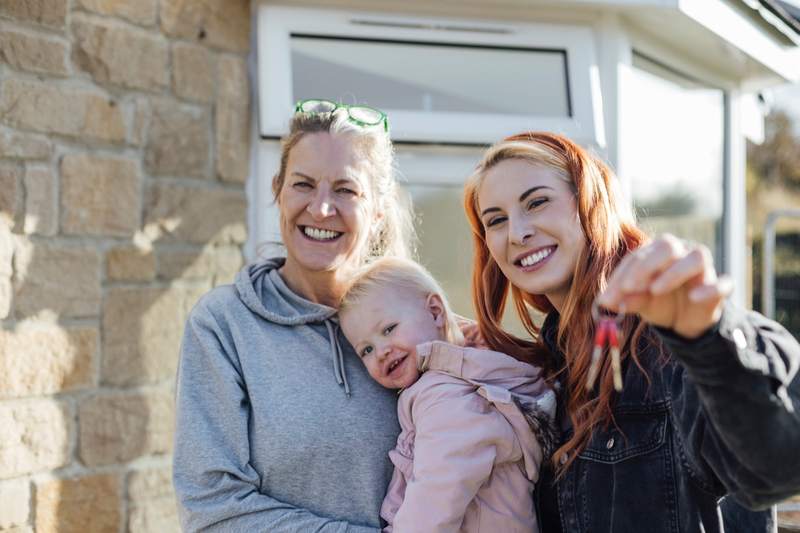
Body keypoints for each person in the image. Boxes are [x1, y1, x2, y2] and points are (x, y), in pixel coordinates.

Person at [451, 131, 800, 532]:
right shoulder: (546, 374)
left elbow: (776, 468)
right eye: (496, 220)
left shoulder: (671, 339)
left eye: (537, 202)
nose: (517, 232)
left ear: (589, 204)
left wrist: (707, 337)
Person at [172, 100, 416, 532]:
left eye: (345, 189)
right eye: (303, 184)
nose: (321, 209)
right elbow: (212, 511)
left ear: (378, 209)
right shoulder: (225, 326)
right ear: (277, 191)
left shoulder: (415, 319)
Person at [338, 257, 556, 533]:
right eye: (366, 349)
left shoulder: (446, 398)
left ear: (435, 311)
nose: (381, 351)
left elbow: (435, 498)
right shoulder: (468, 374)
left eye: (389, 329)